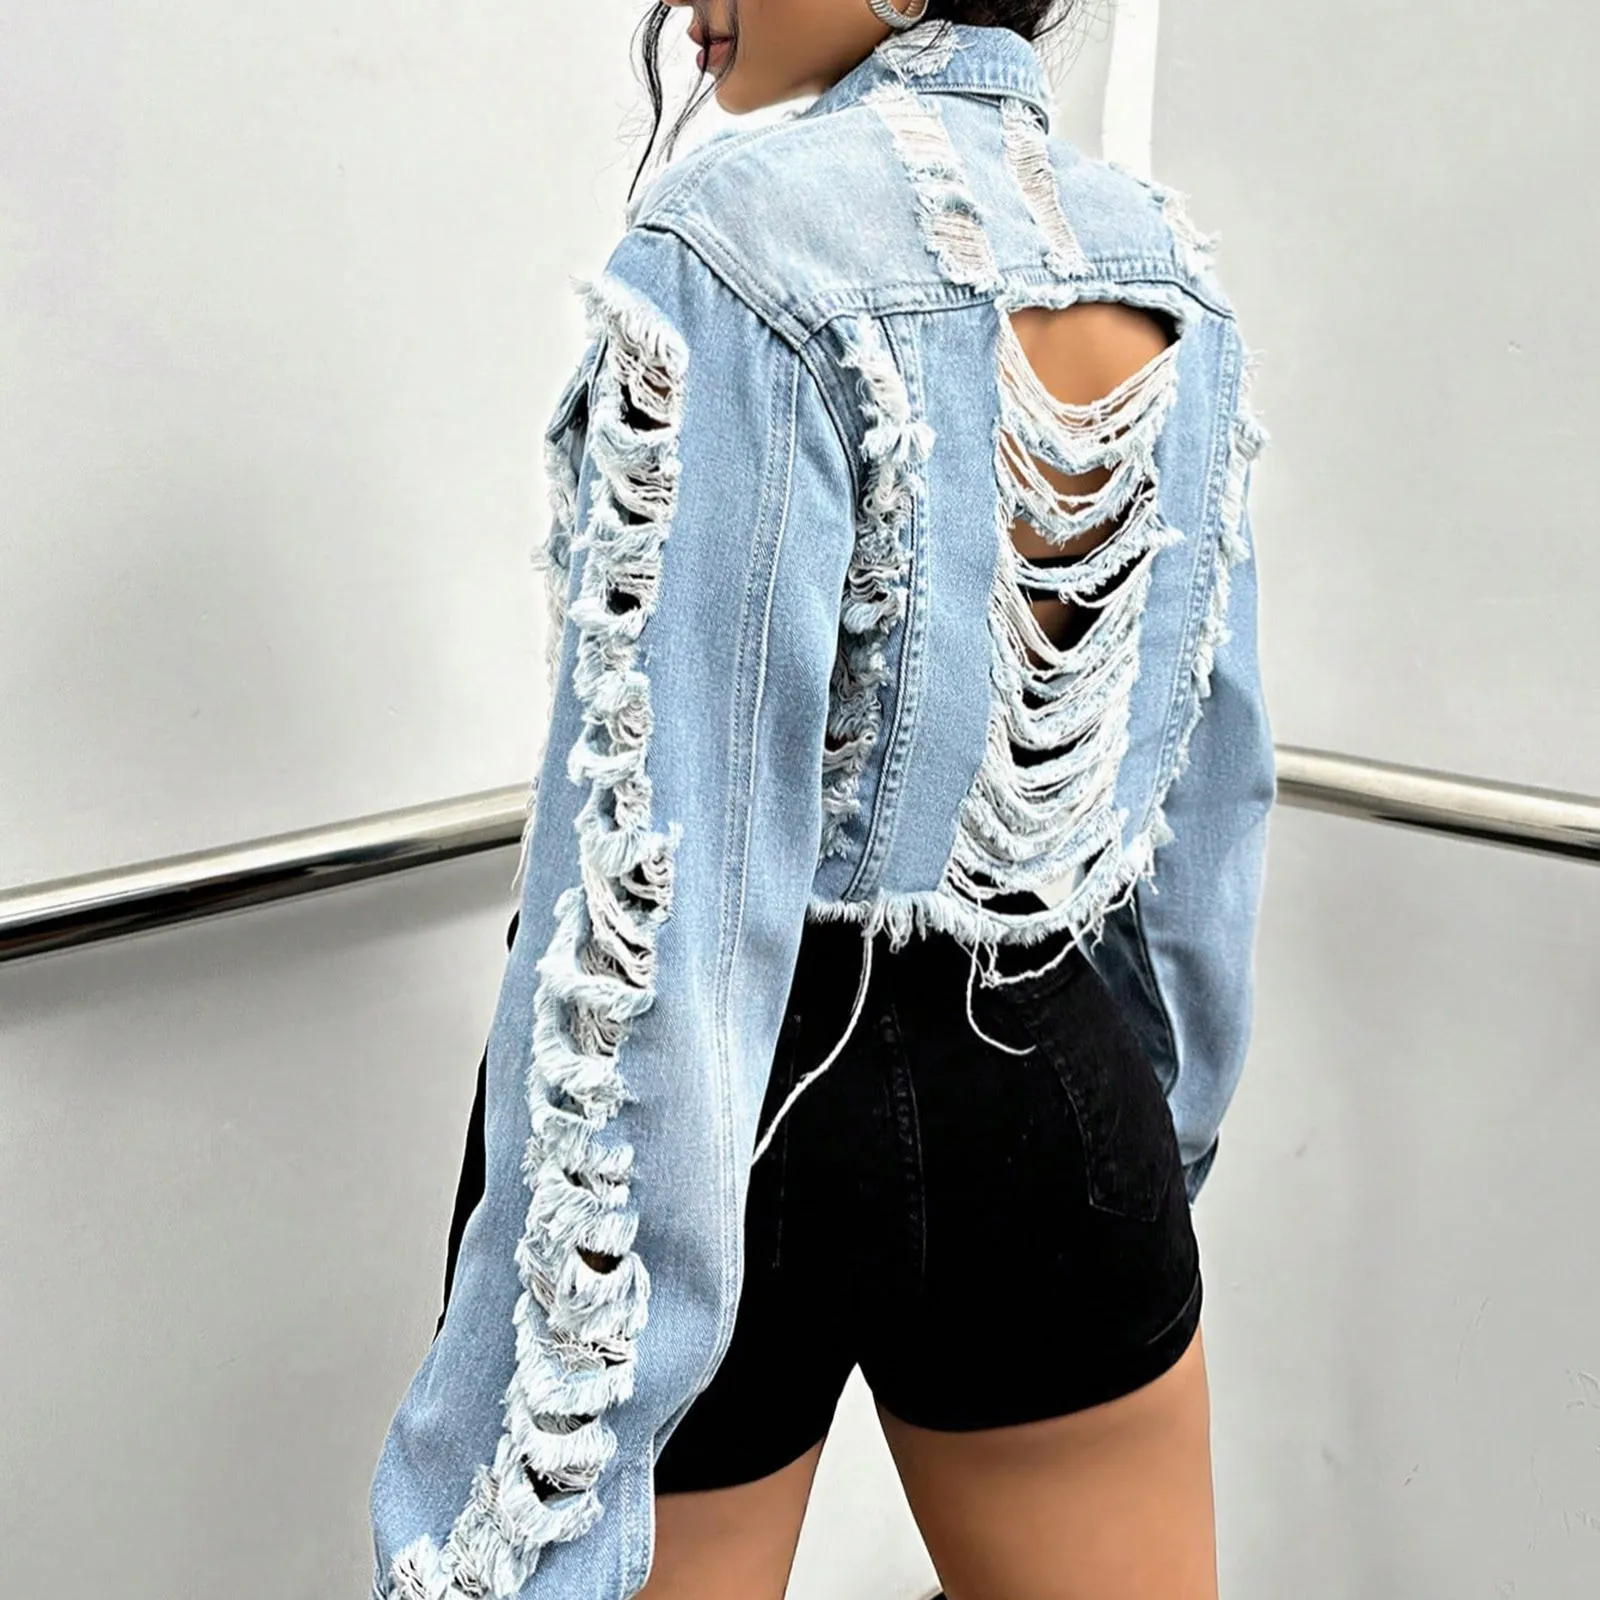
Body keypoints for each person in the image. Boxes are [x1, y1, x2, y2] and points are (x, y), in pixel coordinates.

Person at [369, 4, 1275, 1598]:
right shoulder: (1162, 267)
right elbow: (1204, 793)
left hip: (746, 1117)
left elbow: (671, 879)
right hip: (1057, 1078)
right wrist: (1144, 1143)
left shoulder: (733, 246)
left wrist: (547, 1461)